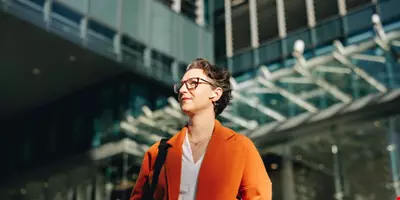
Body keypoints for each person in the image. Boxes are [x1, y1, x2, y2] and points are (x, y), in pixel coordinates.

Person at [130, 58, 272, 200]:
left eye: (193, 83)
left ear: (215, 93)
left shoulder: (241, 147)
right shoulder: (157, 153)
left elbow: (259, 197)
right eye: (182, 85)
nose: (183, 90)